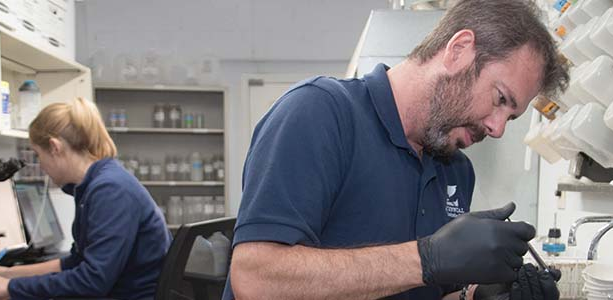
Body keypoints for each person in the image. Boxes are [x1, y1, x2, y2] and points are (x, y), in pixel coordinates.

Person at [225, 0, 569, 299]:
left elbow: (425, 291)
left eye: (511, 117)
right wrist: (427, 258)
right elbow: (255, 280)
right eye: (500, 100)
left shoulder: (456, 168)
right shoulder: (320, 113)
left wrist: (480, 295)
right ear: (459, 50)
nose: (496, 129)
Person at [0, 98, 172, 299]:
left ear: (55, 147)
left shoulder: (110, 190)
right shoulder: (96, 184)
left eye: (38, 155)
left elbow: (92, 281)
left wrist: (10, 288)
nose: (42, 166)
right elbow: (75, 262)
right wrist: (8, 274)